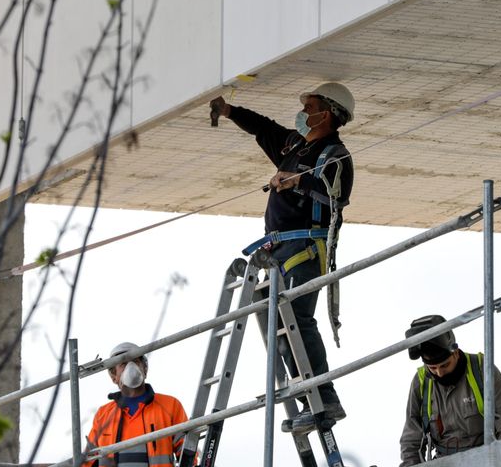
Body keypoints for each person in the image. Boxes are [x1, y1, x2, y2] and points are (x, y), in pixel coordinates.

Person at [209, 82, 355, 433]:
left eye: (310, 106)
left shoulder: (335, 155)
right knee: (281, 329)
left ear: (329, 113)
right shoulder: (295, 146)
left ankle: (325, 399)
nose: (304, 112)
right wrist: (230, 112)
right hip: (280, 248)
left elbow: (336, 201)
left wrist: (298, 182)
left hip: (306, 248)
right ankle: (310, 399)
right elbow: (266, 128)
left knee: (298, 322)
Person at [400, 315, 501, 464]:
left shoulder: (482, 368)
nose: (439, 373)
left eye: (445, 365)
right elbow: (411, 439)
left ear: (456, 352)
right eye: (433, 368)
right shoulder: (421, 383)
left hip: (485, 459)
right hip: (444, 462)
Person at [83, 342, 190, 467]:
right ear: (114, 376)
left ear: (145, 368)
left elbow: (187, 453)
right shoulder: (103, 415)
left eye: (136, 361)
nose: (131, 367)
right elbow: (88, 461)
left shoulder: (170, 406)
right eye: (123, 364)